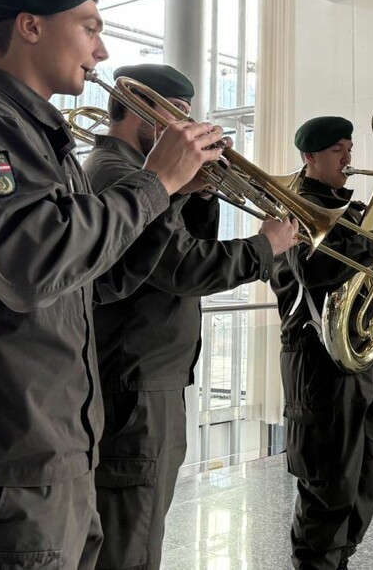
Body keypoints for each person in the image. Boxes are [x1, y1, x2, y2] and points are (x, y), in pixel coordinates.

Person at [0, 0, 226, 569]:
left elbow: (93, 283)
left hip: (56, 453)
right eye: (90, 27)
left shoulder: (44, 141)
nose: (100, 51)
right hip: (2, 465)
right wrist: (153, 186)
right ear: (30, 26)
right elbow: (30, 263)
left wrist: (176, 194)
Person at [83, 63, 298, 570]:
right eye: (176, 115)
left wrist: (192, 192)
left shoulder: (138, 175)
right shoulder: (119, 173)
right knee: (129, 542)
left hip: (145, 374)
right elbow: (184, 268)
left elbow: (181, 248)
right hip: (134, 380)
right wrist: (265, 246)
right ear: (140, 110)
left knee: (138, 528)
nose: (187, 127)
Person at [270, 116, 373, 570]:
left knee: (361, 486)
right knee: (327, 491)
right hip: (316, 364)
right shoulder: (291, 210)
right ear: (310, 157)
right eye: (338, 150)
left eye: (350, 148)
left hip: (360, 363)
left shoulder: (354, 213)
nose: (349, 158)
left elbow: (367, 276)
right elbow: (316, 273)